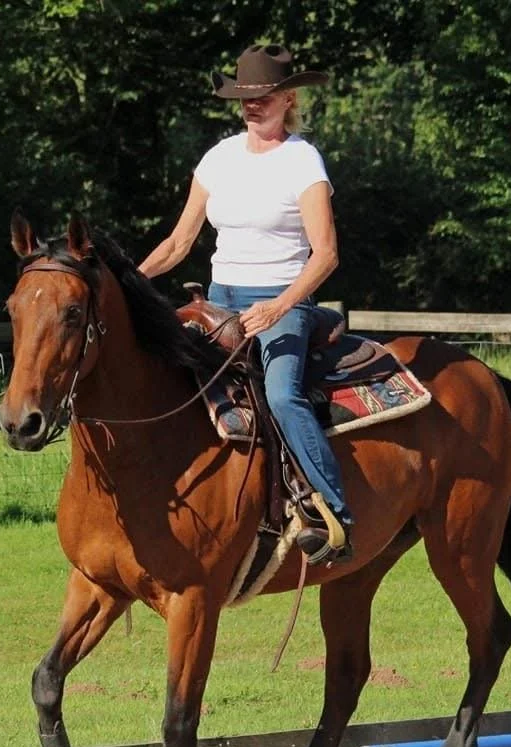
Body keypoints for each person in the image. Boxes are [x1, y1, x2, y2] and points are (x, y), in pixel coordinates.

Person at [138, 43, 352, 563]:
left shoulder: (302, 160)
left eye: (265, 96)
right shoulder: (219, 158)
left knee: (280, 395)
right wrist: (128, 280)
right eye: (245, 98)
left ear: (288, 99)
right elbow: (179, 243)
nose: (253, 106)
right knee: (158, 382)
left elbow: (325, 255)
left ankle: (333, 514)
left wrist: (278, 308)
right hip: (216, 302)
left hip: (282, 300)